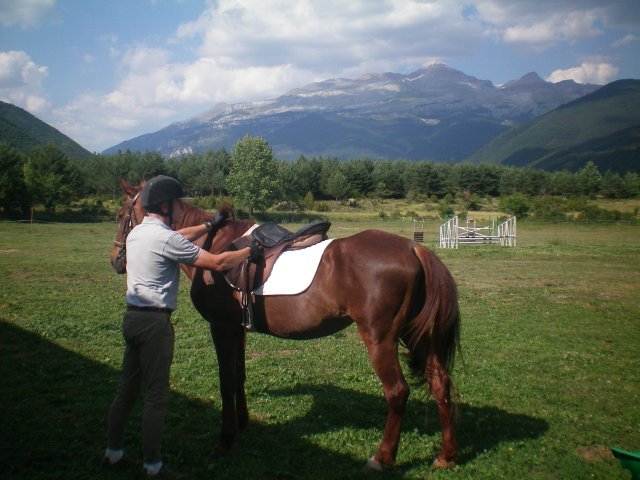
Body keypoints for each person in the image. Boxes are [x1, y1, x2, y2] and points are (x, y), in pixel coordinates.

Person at [103, 175, 252, 479]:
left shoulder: (137, 236)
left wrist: (207, 226)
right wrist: (252, 249)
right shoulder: (167, 240)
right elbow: (219, 264)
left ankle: (113, 453)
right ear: (166, 205)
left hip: (131, 319)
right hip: (155, 325)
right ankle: (153, 466)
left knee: (126, 391)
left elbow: (179, 233)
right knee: (156, 395)